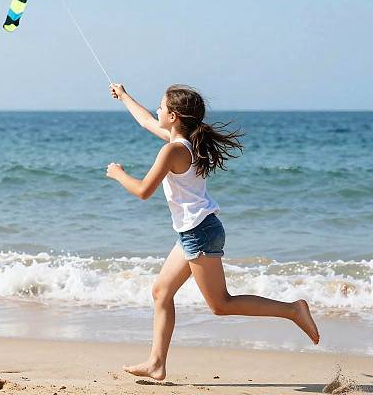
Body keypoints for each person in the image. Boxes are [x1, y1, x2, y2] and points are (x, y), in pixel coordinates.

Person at [106, 83, 320, 381]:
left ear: (175, 116)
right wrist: (124, 96)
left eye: (162, 107)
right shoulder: (183, 140)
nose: (157, 110)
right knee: (161, 292)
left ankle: (293, 310)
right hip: (193, 230)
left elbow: (143, 190)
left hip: (199, 233)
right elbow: (144, 120)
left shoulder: (173, 149)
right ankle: (156, 363)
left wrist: (118, 174)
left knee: (221, 304)